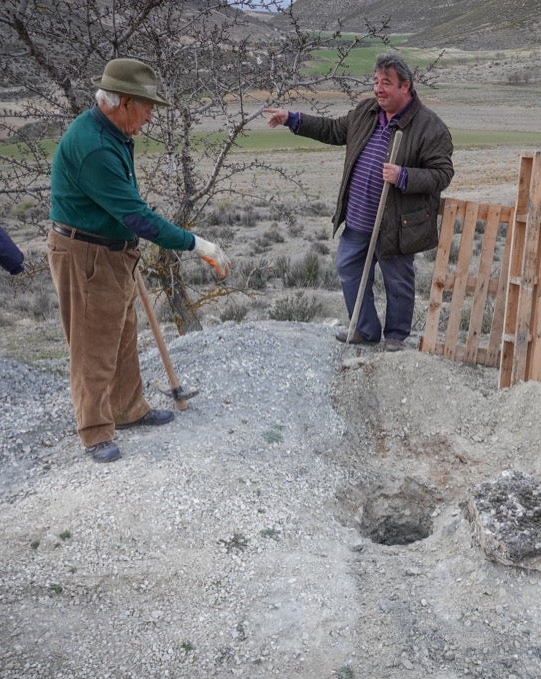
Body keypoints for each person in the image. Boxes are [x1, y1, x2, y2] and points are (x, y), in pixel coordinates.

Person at [48, 57, 231, 463]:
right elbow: (135, 216)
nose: (150, 116)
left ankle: (129, 409)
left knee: (122, 331)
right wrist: (197, 244)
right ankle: (94, 430)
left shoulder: (110, 132)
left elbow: (126, 214)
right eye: (148, 107)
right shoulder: (95, 146)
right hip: (86, 253)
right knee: (93, 342)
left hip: (110, 249)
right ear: (124, 102)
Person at [264, 52, 453, 352]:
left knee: (398, 282)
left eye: (386, 83)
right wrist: (293, 119)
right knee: (349, 269)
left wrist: (404, 176)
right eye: (376, 82)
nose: (378, 89)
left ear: (406, 86)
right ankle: (365, 329)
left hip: (397, 224)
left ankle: (395, 336)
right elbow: (333, 130)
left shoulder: (430, 127)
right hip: (359, 219)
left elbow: (442, 174)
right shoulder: (366, 111)